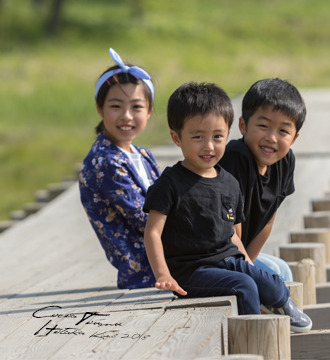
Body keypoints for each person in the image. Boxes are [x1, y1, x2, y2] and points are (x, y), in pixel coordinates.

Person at [142, 82, 312, 332]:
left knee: (271, 282)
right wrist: (163, 274)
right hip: (191, 270)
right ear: (177, 138)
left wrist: (245, 262)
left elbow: (233, 232)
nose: (209, 146)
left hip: (225, 259)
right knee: (244, 285)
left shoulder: (229, 182)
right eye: (198, 137)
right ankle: (253, 334)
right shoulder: (170, 183)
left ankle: (279, 302)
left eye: (217, 137)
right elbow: (152, 232)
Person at [79, 48, 160, 289]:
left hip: (173, 258)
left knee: (271, 271)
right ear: (99, 108)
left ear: (149, 111)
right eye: (116, 106)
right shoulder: (104, 161)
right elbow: (145, 220)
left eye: (136, 107)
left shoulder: (143, 155)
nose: (126, 116)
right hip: (148, 272)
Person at [219, 78, 306, 282]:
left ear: (294, 138)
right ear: (243, 125)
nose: (272, 138)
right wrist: (247, 268)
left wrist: (250, 260)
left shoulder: (285, 162)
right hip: (215, 255)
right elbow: (229, 226)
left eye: (283, 131)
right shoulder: (234, 159)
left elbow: (269, 218)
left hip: (240, 254)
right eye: (263, 126)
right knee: (274, 276)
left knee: (281, 270)